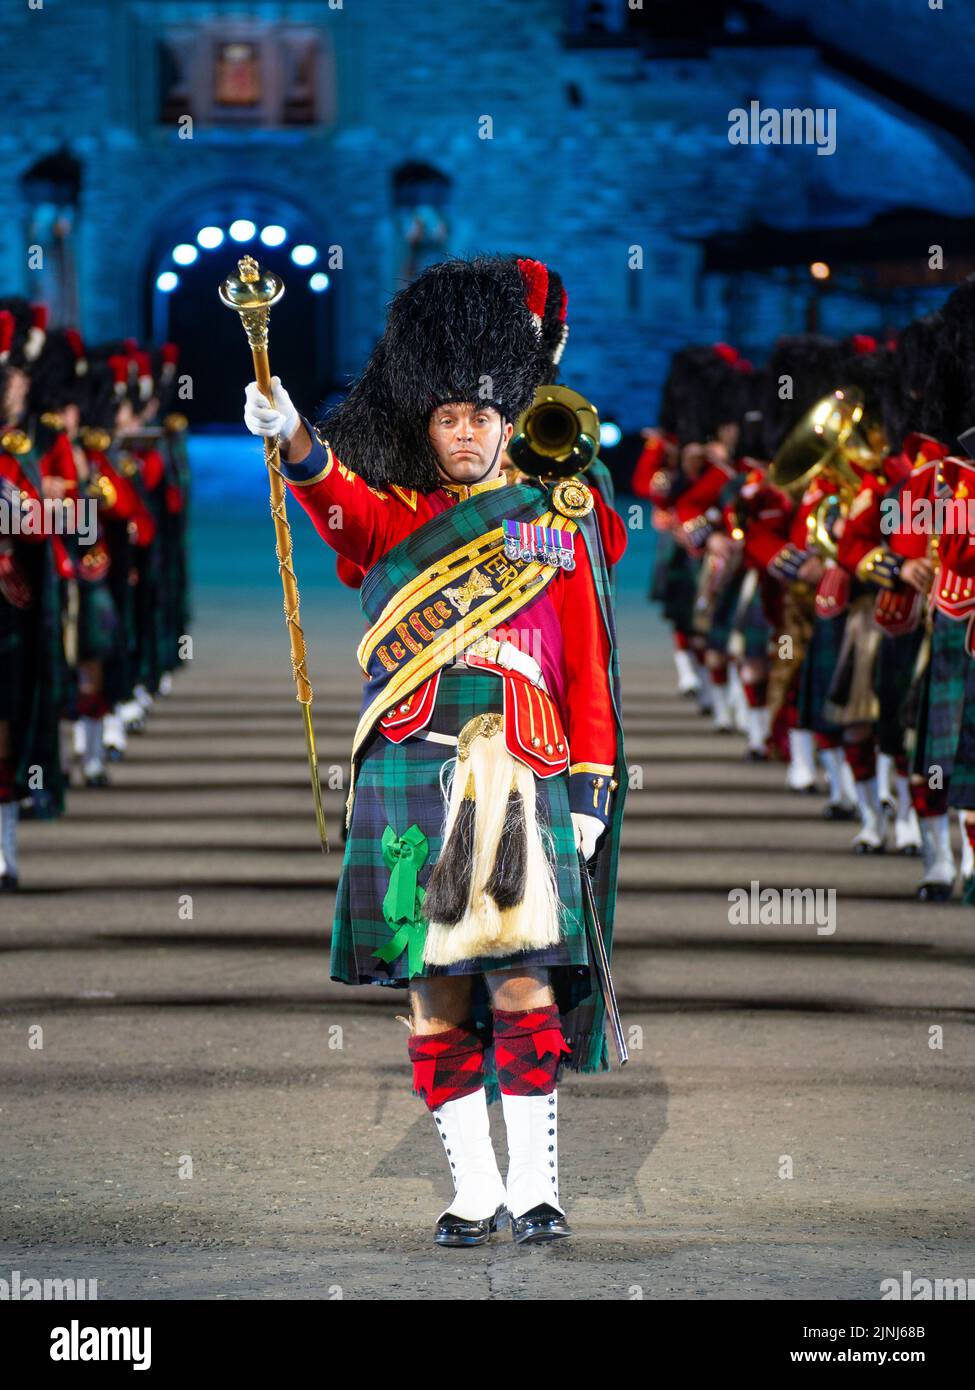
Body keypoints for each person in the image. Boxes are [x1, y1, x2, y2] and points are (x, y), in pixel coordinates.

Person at [243, 256, 626, 1247]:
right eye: (448, 417)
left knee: (522, 976)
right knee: (435, 983)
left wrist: (588, 789)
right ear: (427, 421)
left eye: (481, 417)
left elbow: (585, 663)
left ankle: (539, 1186)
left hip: (523, 759)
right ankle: (473, 1188)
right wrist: (292, 436)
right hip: (413, 757)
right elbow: (339, 506)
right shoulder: (397, 516)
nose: (464, 432)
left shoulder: (557, 519)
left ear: (510, 419)